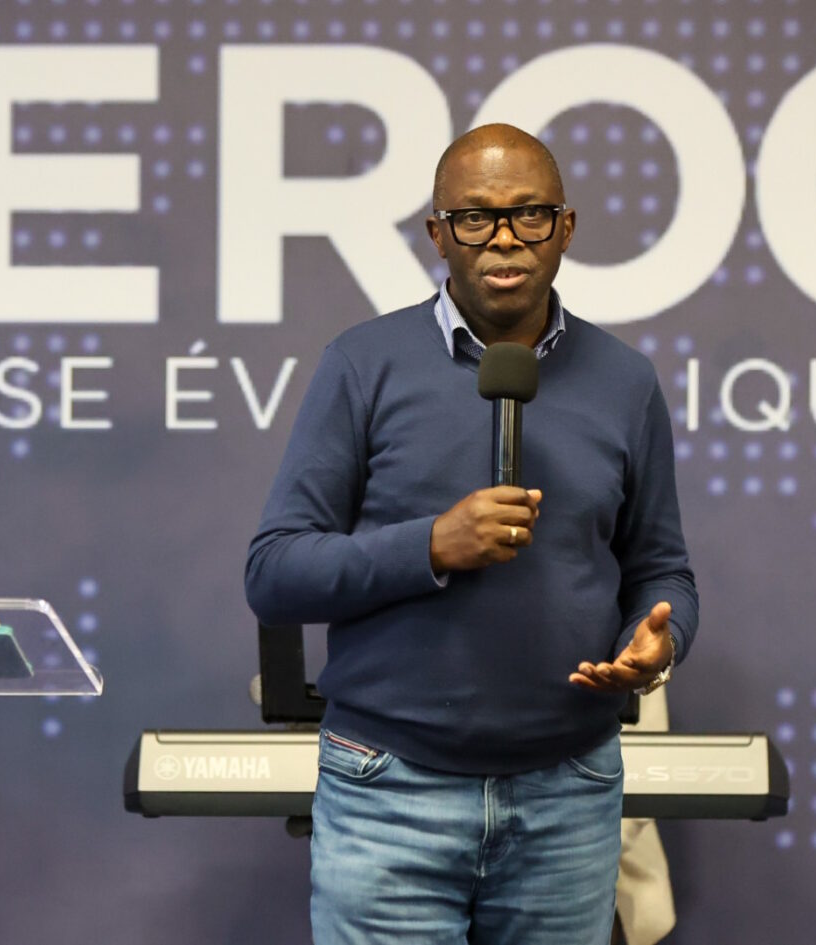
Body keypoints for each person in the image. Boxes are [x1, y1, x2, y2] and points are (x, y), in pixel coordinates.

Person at [245, 123, 699, 945]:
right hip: (389, 791)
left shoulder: (626, 382)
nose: (504, 238)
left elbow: (662, 570)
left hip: (568, 795)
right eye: (475, 217)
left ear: (565, 227)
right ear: (438, 234)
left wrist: (656, 645)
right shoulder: (362, 364)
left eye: (530, 214)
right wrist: (430, 545)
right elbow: (275, 571)